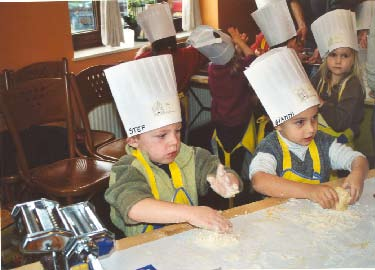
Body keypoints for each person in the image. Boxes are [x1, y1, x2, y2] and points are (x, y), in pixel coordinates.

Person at [103, 55, 242, 237]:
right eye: (162, 135)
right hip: (145, 245)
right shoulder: (127, 169)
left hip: (184, 238)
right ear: (133, 140)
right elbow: (134, 208)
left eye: (177, 131)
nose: (174, 141)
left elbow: (218, 170)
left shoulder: (191, 155)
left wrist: (228, 180)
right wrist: (191, 213)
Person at [245, 47, 369, 209]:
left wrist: (357, 174)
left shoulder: (323, 142)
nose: (311, 129)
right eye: (300, 122)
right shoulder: (271, 147)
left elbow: (359, 159)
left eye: (314, 118)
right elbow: (259, 181)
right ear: (278, 125)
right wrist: (310, 191)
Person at [187, 25, 258, 206]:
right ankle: (241, 193)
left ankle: (223, 194)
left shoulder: (212, 69)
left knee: (224, 157)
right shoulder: (240, 70)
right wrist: (240, 41)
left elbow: (233, 60)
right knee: (239, 159)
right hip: (239, 123)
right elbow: (254, 60)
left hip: (221, 123)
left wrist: (235, 44)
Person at [134, 2, 207, 131]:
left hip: (153, 113)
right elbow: (204, 51)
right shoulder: (186, 55)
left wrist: (143, 51)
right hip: (177, 110)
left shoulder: (143, 59)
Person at [310, 9, 365, 147]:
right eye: (333, 55)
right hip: (318, 138)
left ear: (353, 59)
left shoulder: (353, 85)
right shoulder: (320, 78)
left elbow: (340, 122)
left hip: (341, 143)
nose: (338, 61)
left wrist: (321, 103)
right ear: (326, 57)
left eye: (344, 55)